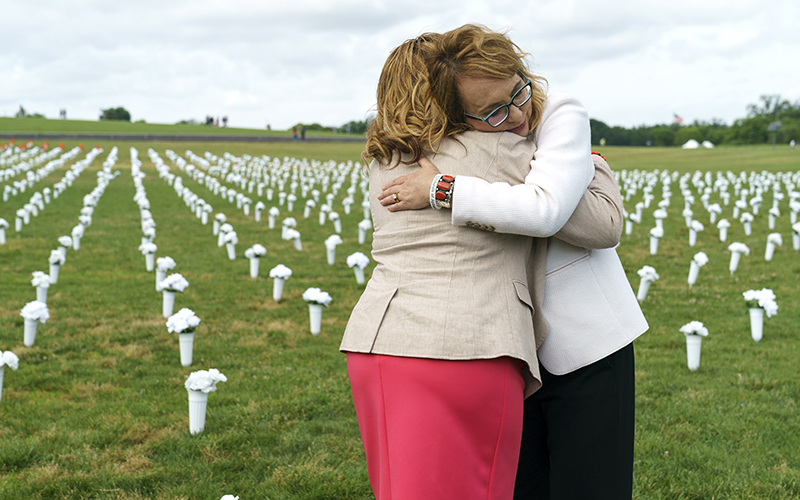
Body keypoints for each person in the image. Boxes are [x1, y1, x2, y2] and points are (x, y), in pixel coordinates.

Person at [341, 29, 634, 500]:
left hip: (573, 336)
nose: (517, 115)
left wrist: (581, 161)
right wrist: (590, 167)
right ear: (452, 106)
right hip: (486, 341)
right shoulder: (490, 150)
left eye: (518, 92)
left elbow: (566, 215)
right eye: (494, 110)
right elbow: (594, 218)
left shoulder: (389, 156)